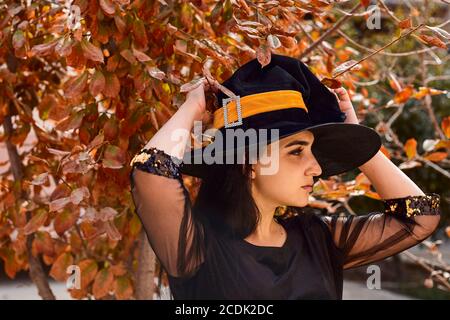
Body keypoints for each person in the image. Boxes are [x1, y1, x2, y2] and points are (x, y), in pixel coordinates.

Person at [129, 54, 441, 299]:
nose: (316, 168)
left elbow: (418, 216)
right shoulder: (198, 247)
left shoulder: (317, 238)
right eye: (296, 151)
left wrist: (362, 149)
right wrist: (193, 107)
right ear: (249, 162)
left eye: (311, 151)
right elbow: (149, 172)